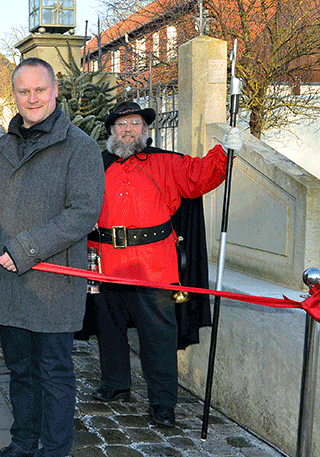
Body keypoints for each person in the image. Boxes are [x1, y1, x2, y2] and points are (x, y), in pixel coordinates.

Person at [0, 58, 104, 457]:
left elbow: (83, 213)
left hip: (53, 285)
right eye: (23, 91)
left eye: (39, 89)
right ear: (15, 95)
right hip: (7, 285)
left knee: (54, 375)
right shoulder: (3, 147)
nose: (32, 98)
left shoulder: (80, 147)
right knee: (21, 373)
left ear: (55, 89)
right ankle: (23, 445)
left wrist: (25, 248)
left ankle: (54, 451)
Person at [88, 101, 242, 427]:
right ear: (112, 131)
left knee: (158, 336)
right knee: (108, 328)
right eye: (121, 125)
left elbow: (200, 176)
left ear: (145, 131)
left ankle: (162, 402)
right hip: (104, 262)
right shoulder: (96, 165)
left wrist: (224, 152)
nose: (127, 130)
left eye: (134, 124)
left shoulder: (167, 163)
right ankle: (116, 384)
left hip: (153, 265)